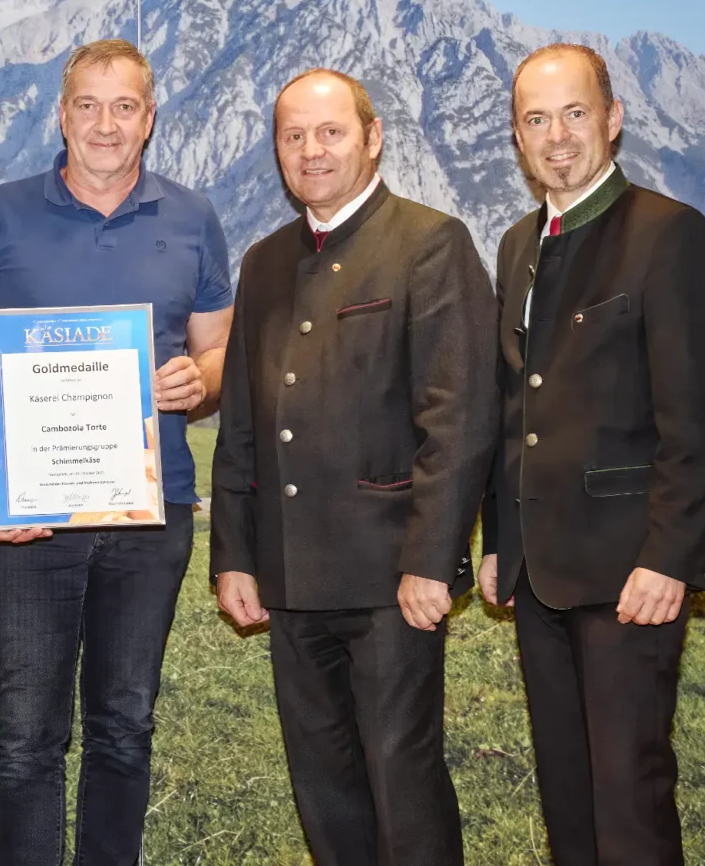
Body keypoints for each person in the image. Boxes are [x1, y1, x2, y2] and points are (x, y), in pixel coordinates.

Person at [0, 39, 234, 866]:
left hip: (153, 513)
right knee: (27, 735)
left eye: (125, 106)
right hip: (34, 513)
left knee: (125, 724)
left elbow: (219, 356)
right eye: (88, 106)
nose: (106, 125)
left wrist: (196, 384)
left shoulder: (193, 217)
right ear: (61, 115)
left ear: (150, 118)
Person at [210, 68, 497, 866]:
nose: (312, 150)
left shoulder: (430, 242)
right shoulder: (265, 261)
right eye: (293, 136)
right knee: (324, 789)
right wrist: (234, 555)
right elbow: (242, 422)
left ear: (372, 138)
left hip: (391, 579)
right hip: (291, 576)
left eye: (331, 132)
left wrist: (433, 561)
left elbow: (462, 418)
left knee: (402, 783)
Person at [479, 44, 705, 866]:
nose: (557, 137)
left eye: (575, 113)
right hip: (539, 574)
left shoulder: (670, 234)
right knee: (567, 798)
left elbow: (697, 422)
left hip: (632, 576)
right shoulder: (518, 243)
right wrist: (498, 543)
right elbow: (514, 407)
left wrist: (672, 560)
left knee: (629, 798)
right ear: (518, 139)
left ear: (614, 120)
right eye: (536, 119)